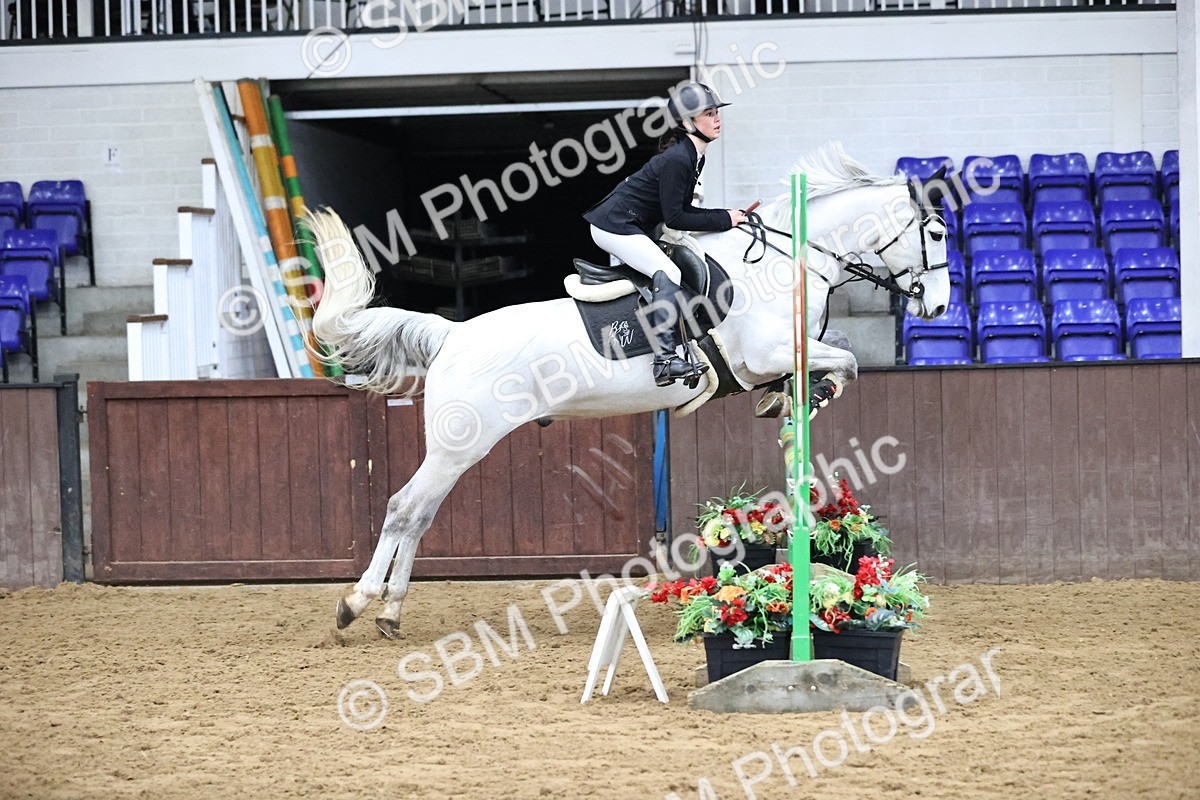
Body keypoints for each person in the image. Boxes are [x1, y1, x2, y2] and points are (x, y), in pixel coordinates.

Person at [583, 82, 748, 387]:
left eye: (716, 112)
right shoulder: (678, 159)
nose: (717, 119)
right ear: (687, 123)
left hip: (630, 224)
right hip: (613, 226)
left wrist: (725, 218)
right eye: (708, 114)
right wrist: (726, 218)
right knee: (668, 271)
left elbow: (679, 210)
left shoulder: (693, 155)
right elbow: (677, 217)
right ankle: (664, 361)